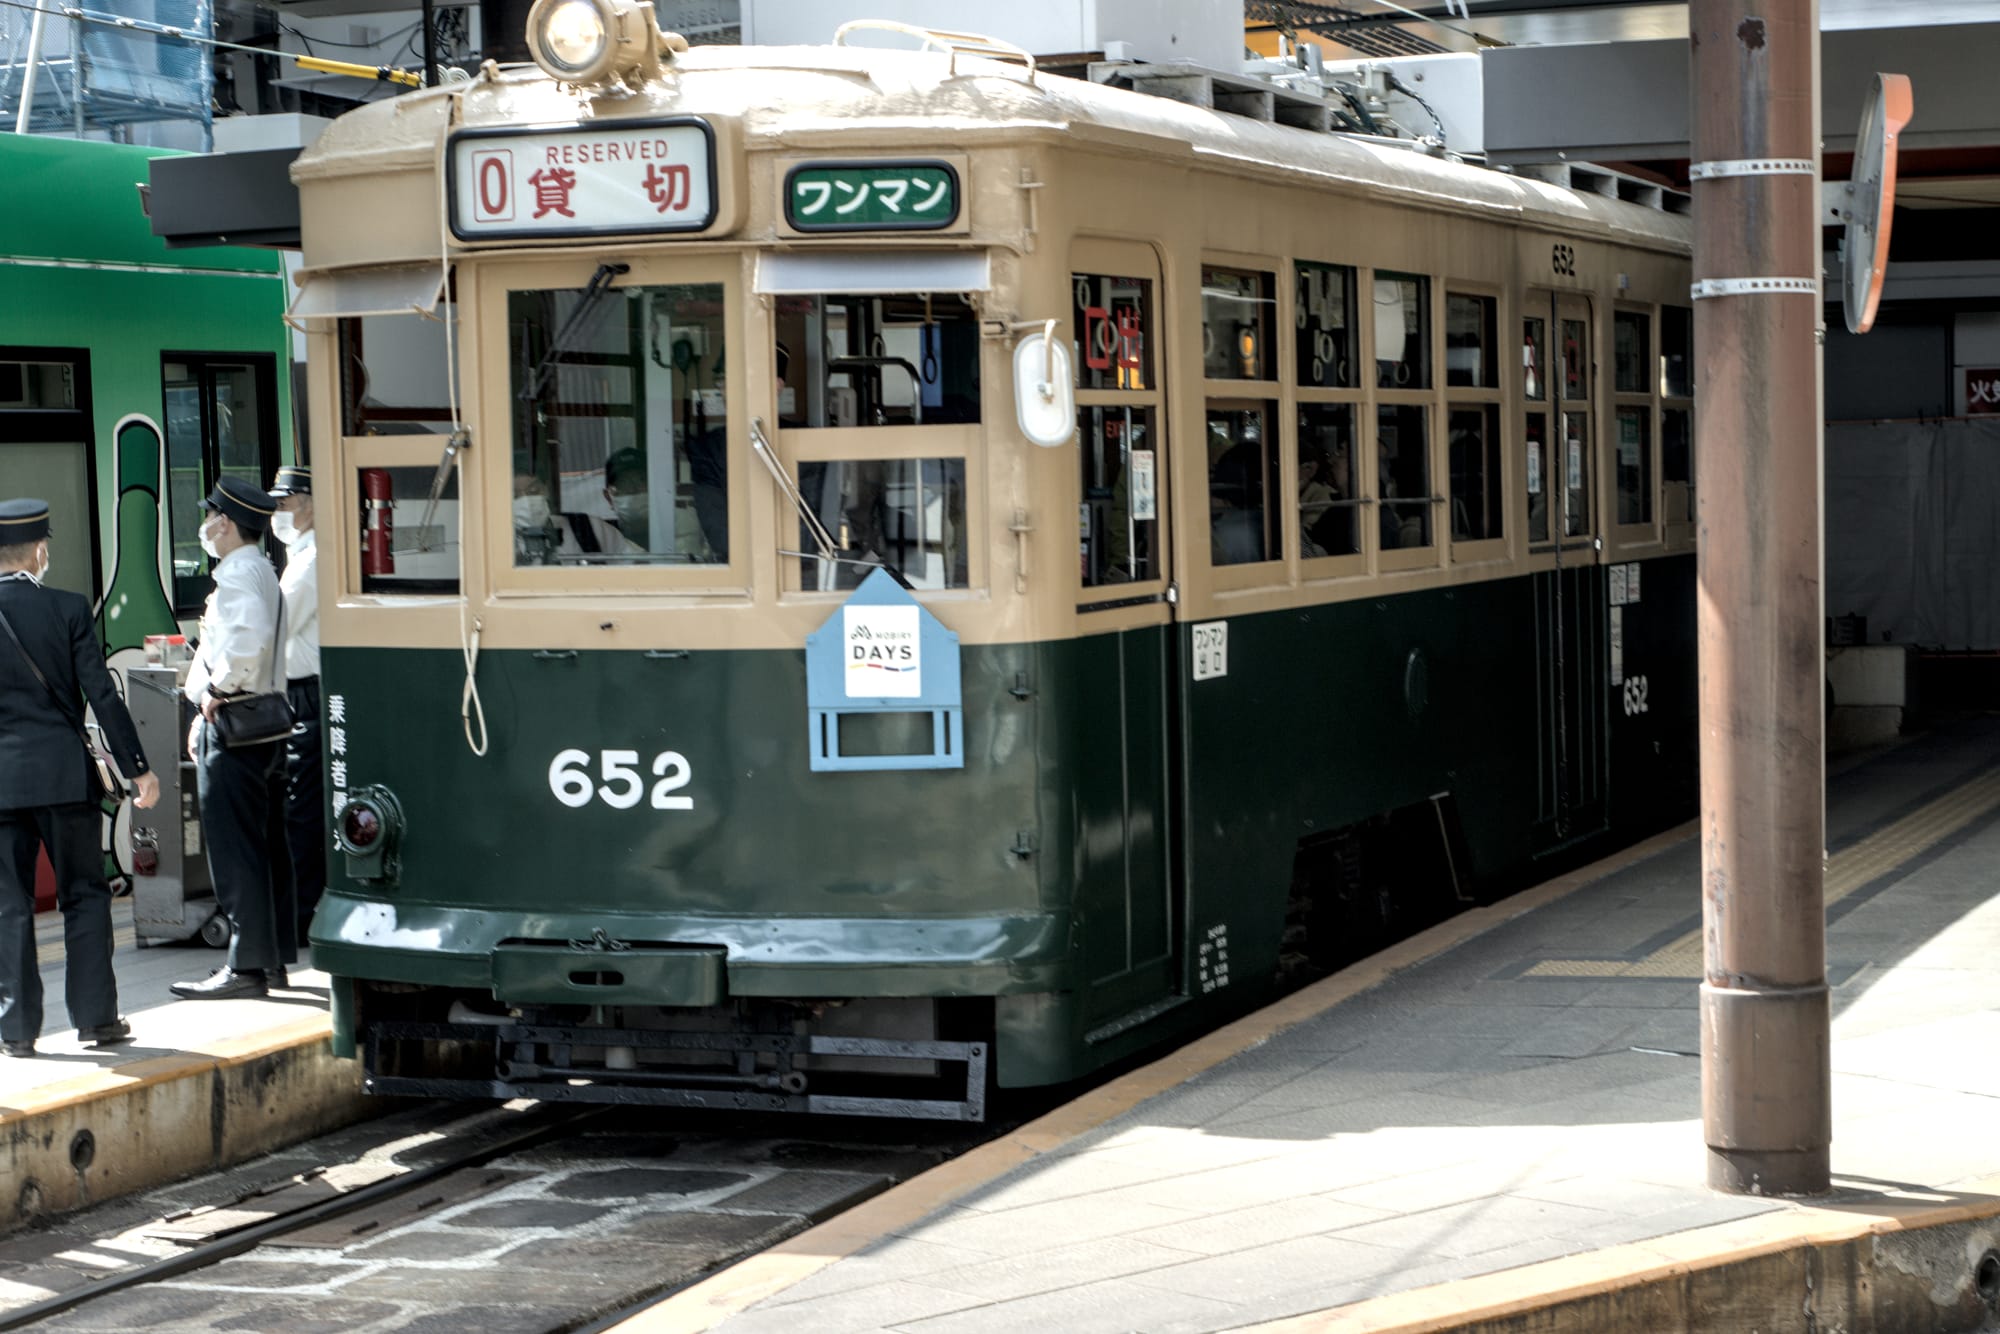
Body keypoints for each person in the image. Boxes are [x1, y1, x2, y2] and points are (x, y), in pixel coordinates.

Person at [0, 498, 160, 1056]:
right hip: (65, 780)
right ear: (40, 551)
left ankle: (16, 1031)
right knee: (85, 896)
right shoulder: (68, 609)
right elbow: (103, 695)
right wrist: (137, 769)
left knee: (8, 904)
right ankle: (96, 1019)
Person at [174, 478, 294, 1000]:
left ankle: (245, 967)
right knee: (266, 847)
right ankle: (271, 961)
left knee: (234, 849)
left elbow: (245, 645)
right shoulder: (262, 570)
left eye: (211, 516)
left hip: (235, 725)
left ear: (224, 522)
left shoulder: (240, 574)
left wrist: (215, 692)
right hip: (263, 726)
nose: (207, 525)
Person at [269, 465, 323, 951]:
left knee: (301, 811)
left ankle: (303, 915)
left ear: (309, 502)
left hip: (309, 694)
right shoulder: (297, 556)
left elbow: (277, 623)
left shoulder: (310, 563)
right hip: (300, 692)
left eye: (285, 501)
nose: (278, 511)